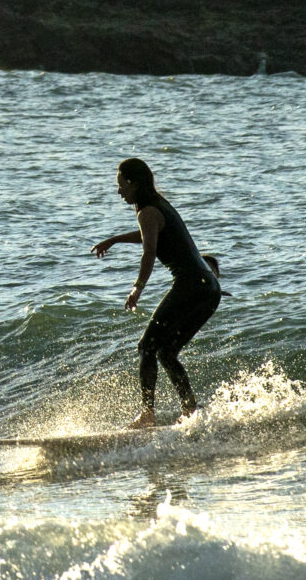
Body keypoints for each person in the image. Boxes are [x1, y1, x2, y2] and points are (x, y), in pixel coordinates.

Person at [90, 158, 221, 428]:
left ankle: (147, 414)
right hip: (209, 288)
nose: (119, 191)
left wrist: (137, 287)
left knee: (147, 347)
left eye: (121, 185)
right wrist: (115, 239)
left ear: (134, 183)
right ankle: (190, 409)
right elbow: (148, 234)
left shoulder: (147, 211)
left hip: (191, 285)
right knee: (166, 352)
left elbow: (149, 250)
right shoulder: (158, 205)